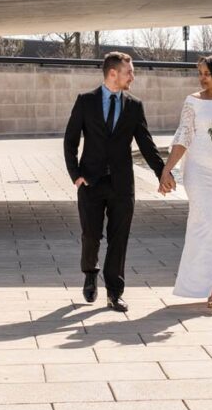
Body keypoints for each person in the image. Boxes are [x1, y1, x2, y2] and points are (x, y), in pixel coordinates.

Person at [63, 52, 171, 312]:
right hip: (90, 181)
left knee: (118, 238)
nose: (133, 76)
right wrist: (75, 174)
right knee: (91, 235)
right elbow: (70, 140)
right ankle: (90, 272)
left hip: (122, 183)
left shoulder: (134, 105)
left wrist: (162, 173)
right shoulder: (86, 101)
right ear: (113, 73)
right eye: (129, 71)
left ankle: (114, 292)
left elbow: (146, 144)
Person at [161, 54, 212, 308]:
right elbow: (183, 136)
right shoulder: (193, 102)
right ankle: (211, 286)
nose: (201, 78)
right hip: (199, 170)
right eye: (199, 74)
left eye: (206, 74)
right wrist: (167, 170)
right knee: (207, 224)